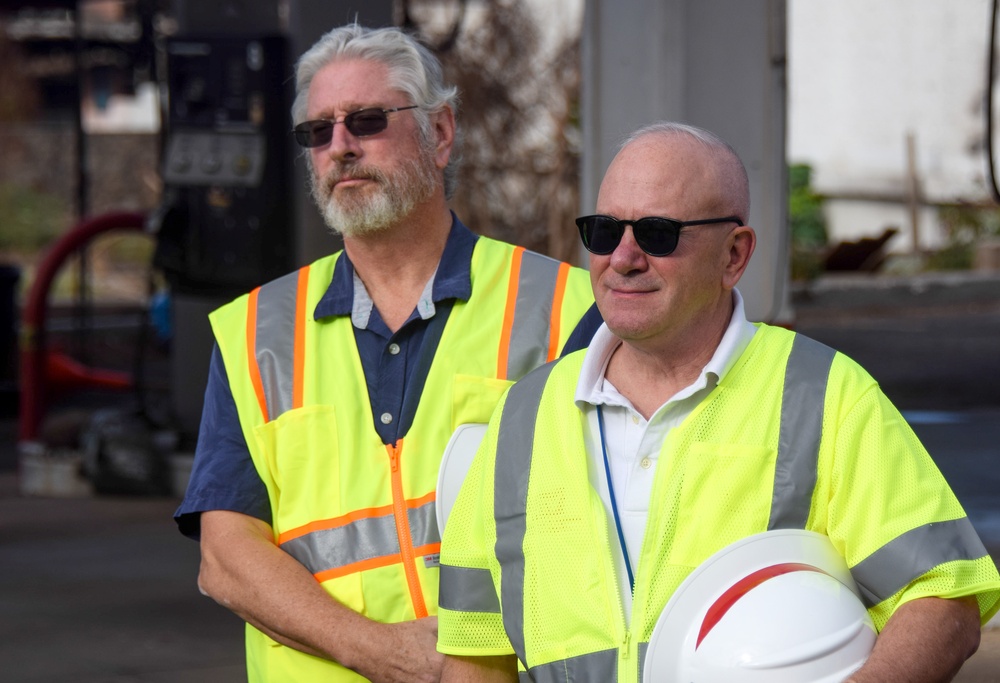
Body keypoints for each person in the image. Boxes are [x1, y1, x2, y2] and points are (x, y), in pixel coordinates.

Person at [436, 122, 1000, 683]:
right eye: (604, 231)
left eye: (657, 234)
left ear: (734, 255)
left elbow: (943, 595)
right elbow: (475, 648)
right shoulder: (522, 417)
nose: (623, 257)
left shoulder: (825, 395)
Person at [174, 24, 600, 682]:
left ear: (441, 133)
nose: (339, 147)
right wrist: (374, 648)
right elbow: (226, 556)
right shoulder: (255, 333)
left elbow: (598, 530)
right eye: (318, 131)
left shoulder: (563, 309)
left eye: (366, 121)